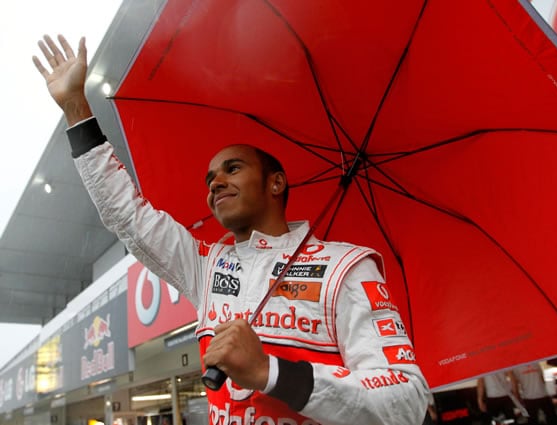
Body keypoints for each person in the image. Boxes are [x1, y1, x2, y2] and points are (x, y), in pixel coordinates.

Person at [33, 34, 429, 425]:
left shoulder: (345, 267)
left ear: (276, 183)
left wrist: (271, 373)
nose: (216, 182)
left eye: (233, 169)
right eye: (210, 178)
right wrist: (75, 108)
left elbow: (406, 400)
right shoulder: (206, 266)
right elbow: (126, 214)